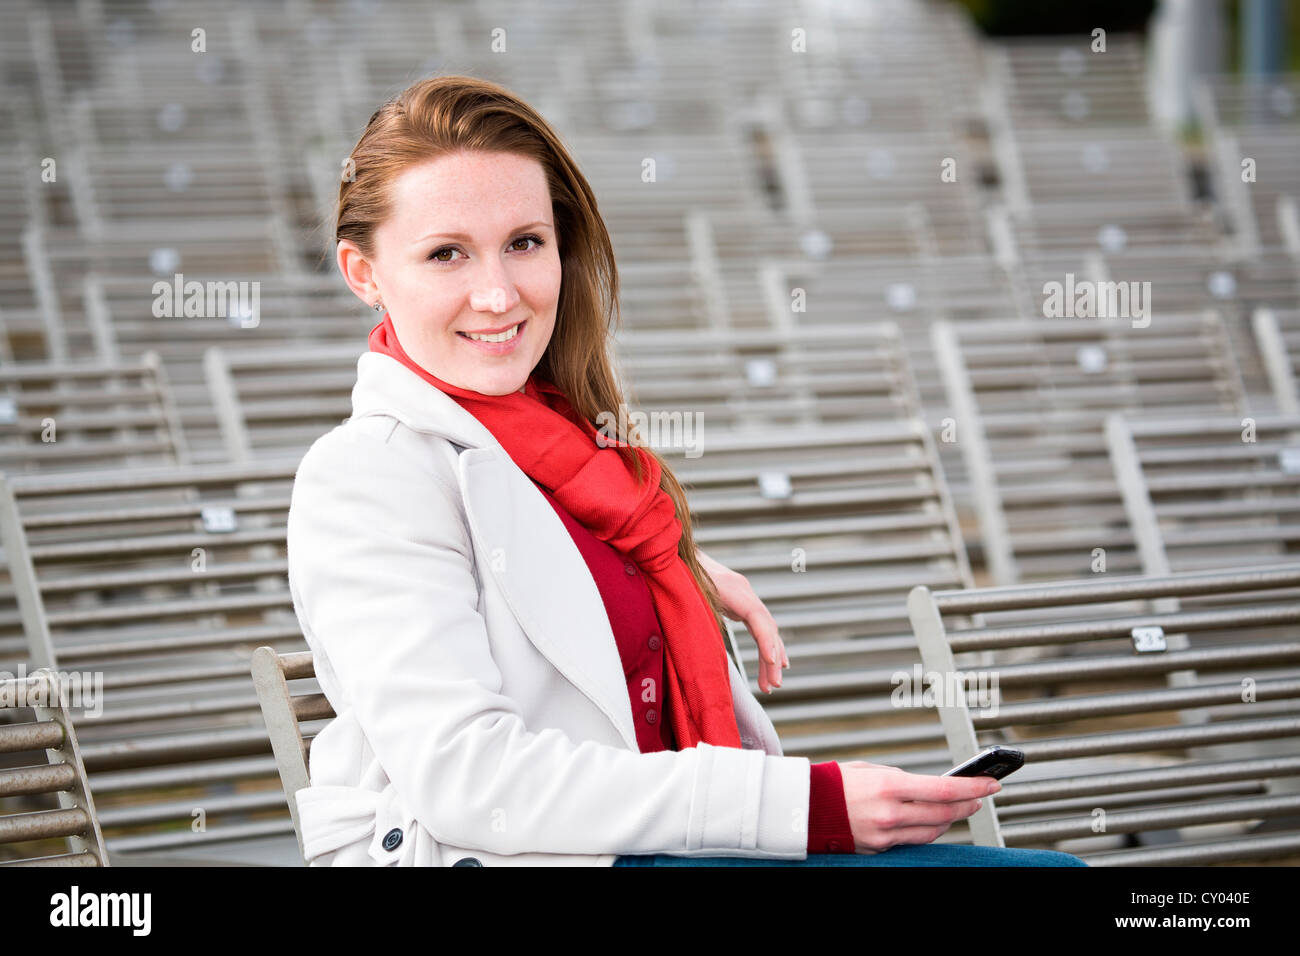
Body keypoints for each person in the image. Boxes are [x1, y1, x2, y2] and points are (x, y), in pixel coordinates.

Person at [285, 73, 1087, 867]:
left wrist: (656, 570)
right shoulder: (364, 478)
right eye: (447, 254)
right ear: (363, 274)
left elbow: (532, 567)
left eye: (525, 243)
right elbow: (472, 777)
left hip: (656, 846)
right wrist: (808, 807)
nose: (497, 294)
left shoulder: (575, 460)